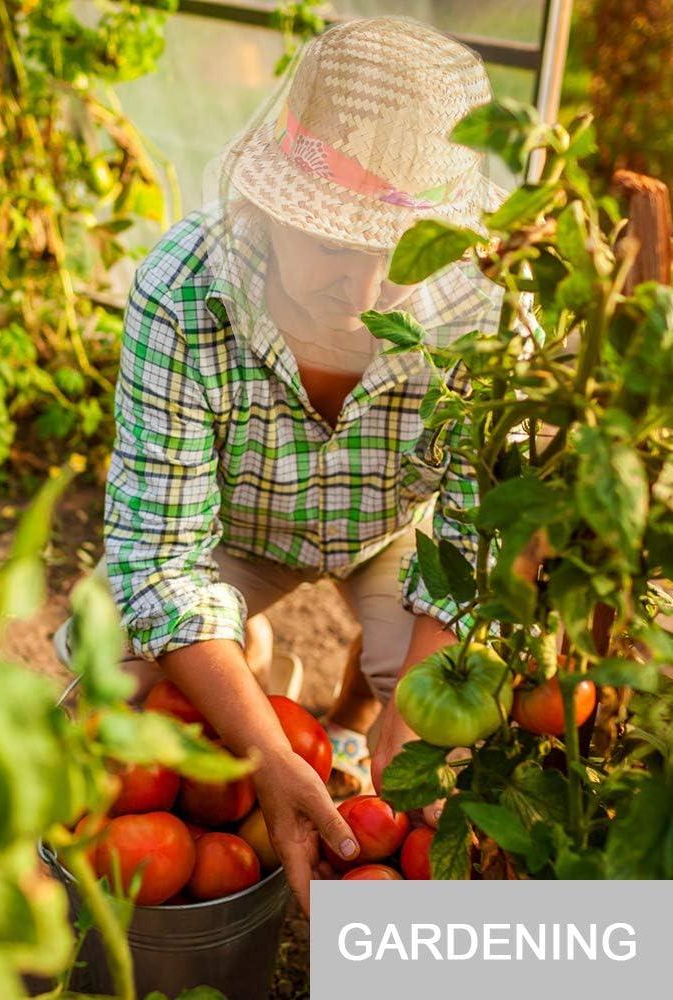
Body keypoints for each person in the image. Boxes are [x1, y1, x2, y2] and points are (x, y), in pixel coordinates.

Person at [55, 15, 534, 913]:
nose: (357, 295)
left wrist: (412, 718)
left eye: (391, 259)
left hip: (399, 534)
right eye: (330, 246)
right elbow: (159, 558)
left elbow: (479, 533)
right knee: (112, 680)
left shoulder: (485, 317)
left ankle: (351, 718)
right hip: (234, 533)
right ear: (268, 205)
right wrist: (268, 756)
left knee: (461, 734)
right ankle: (247, 650)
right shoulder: (186, 288)